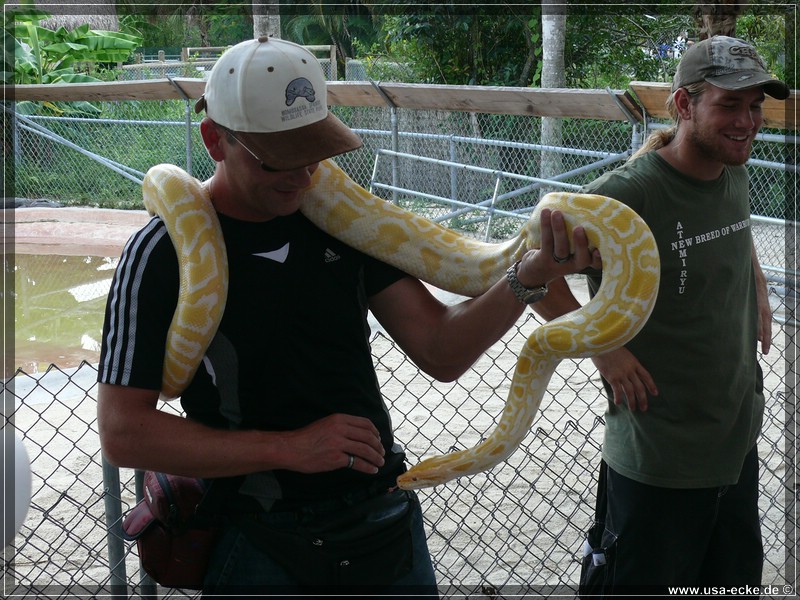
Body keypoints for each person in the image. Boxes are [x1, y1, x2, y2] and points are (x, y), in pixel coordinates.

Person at [96, 36, 601, 597]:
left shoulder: (342, 225)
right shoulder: (161, 253)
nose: (303, 176)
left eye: (314, 152)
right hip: (259, 538)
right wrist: (288, 448)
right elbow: (124, 432)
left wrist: (525, 280)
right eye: (277, 159)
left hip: (380, 518)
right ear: (215, 139)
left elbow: (440, 349)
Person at [531, 36, 789, 596]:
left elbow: (738, 232)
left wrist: (759, 285)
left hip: (735, 442)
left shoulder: (732, 166)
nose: (748, 122)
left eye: (755, 106)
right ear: (683, 105)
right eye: (730, 105)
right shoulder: (626, 195)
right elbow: (532, 279)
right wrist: (602, 348)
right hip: (659, 459)